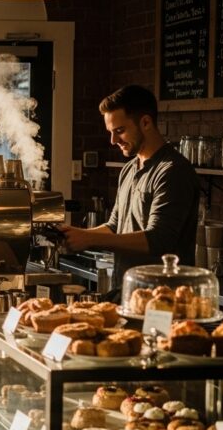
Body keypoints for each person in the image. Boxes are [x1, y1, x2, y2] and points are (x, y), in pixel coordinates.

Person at [61, 85, 199, 292]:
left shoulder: (173, 171)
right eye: (110, 132)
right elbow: (115, 226)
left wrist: (89, 239)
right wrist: (77, 233)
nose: (113, 141)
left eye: (120, 131)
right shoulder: (129, 169)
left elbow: (158, 240)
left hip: (163, 298)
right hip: (128, 291)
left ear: (145, 122)